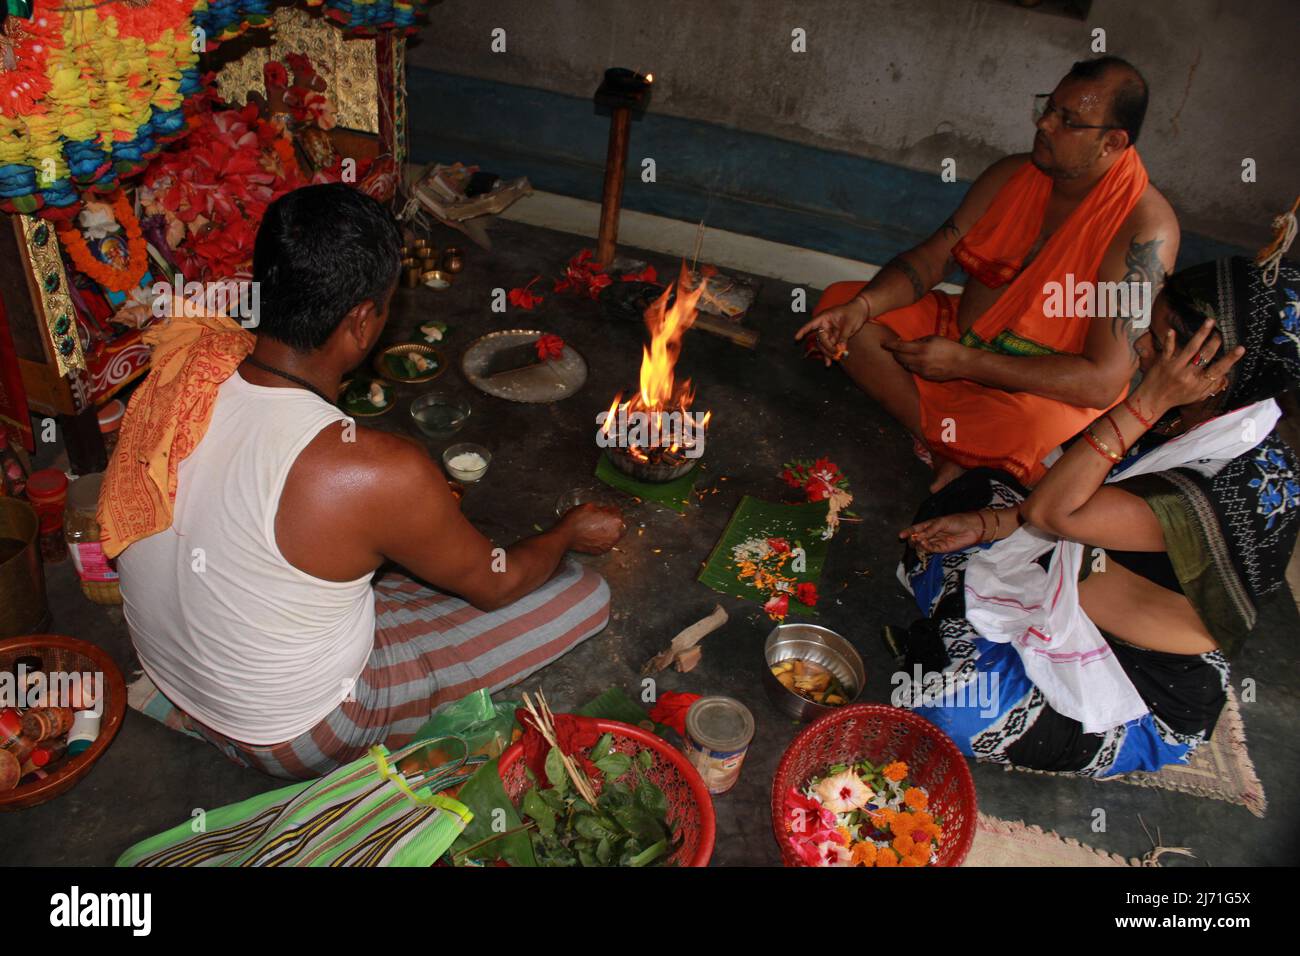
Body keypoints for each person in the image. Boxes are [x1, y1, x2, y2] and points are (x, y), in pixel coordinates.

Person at [102, 183, 625, 779]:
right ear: (362, 321)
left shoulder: (186, 364)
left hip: (170, 668)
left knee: (375, 570)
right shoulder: (376, 469)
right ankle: (311, 751)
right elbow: (495, 587)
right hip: (295, 733)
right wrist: (564, 533)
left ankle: (200, 709)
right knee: (581, 595)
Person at [891, 257, 1299, 776]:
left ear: (1208, 370)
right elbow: (1057, 486)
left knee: (944, 706)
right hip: (1065, 583)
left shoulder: (1219, 481)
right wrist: (991, 524)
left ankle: (965, 641)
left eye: (1157, 339)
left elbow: (1051, 510)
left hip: (1136, 677)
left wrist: (1148, 401)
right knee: (969, 498)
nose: (1142, 347)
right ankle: (966, 627)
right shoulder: (1196, 413)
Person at [796, 56, 1179, 491]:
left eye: (1067, 120)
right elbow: (932, 258)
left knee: (1027, 435)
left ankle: (948, 429)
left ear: (1112, 141)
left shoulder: (1144, 231)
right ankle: (945, 447)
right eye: (1048, 107)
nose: (1045, 125)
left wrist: (966, 363)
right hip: (961, 338)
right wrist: (861, 307)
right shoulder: (1014, 175)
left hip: (1041, 389)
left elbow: (1101, 382)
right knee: (842, 309)